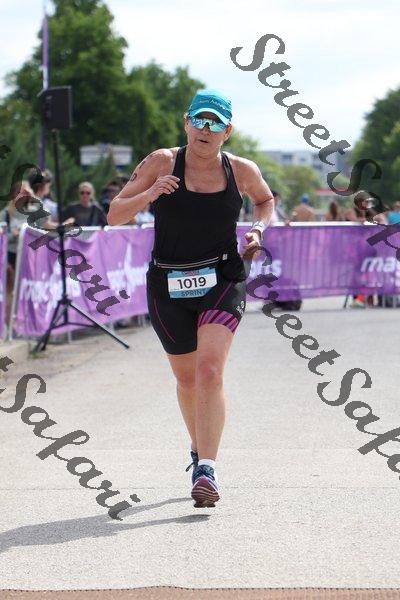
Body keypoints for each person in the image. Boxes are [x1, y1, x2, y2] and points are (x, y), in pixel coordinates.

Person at [108, 88, 274, 508]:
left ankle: (207, 470)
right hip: (168, 281)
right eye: (199, 119)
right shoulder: (162, 162)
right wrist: (149, 194)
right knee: (186, 379)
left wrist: (258, 229)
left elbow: (265, 200)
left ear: (227, 131)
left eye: (215, 123)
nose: (205, 128)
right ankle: (199, 451)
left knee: (210, 370)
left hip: (223, 276)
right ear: (186, 122)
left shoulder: (242, 170)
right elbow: (114, 215)